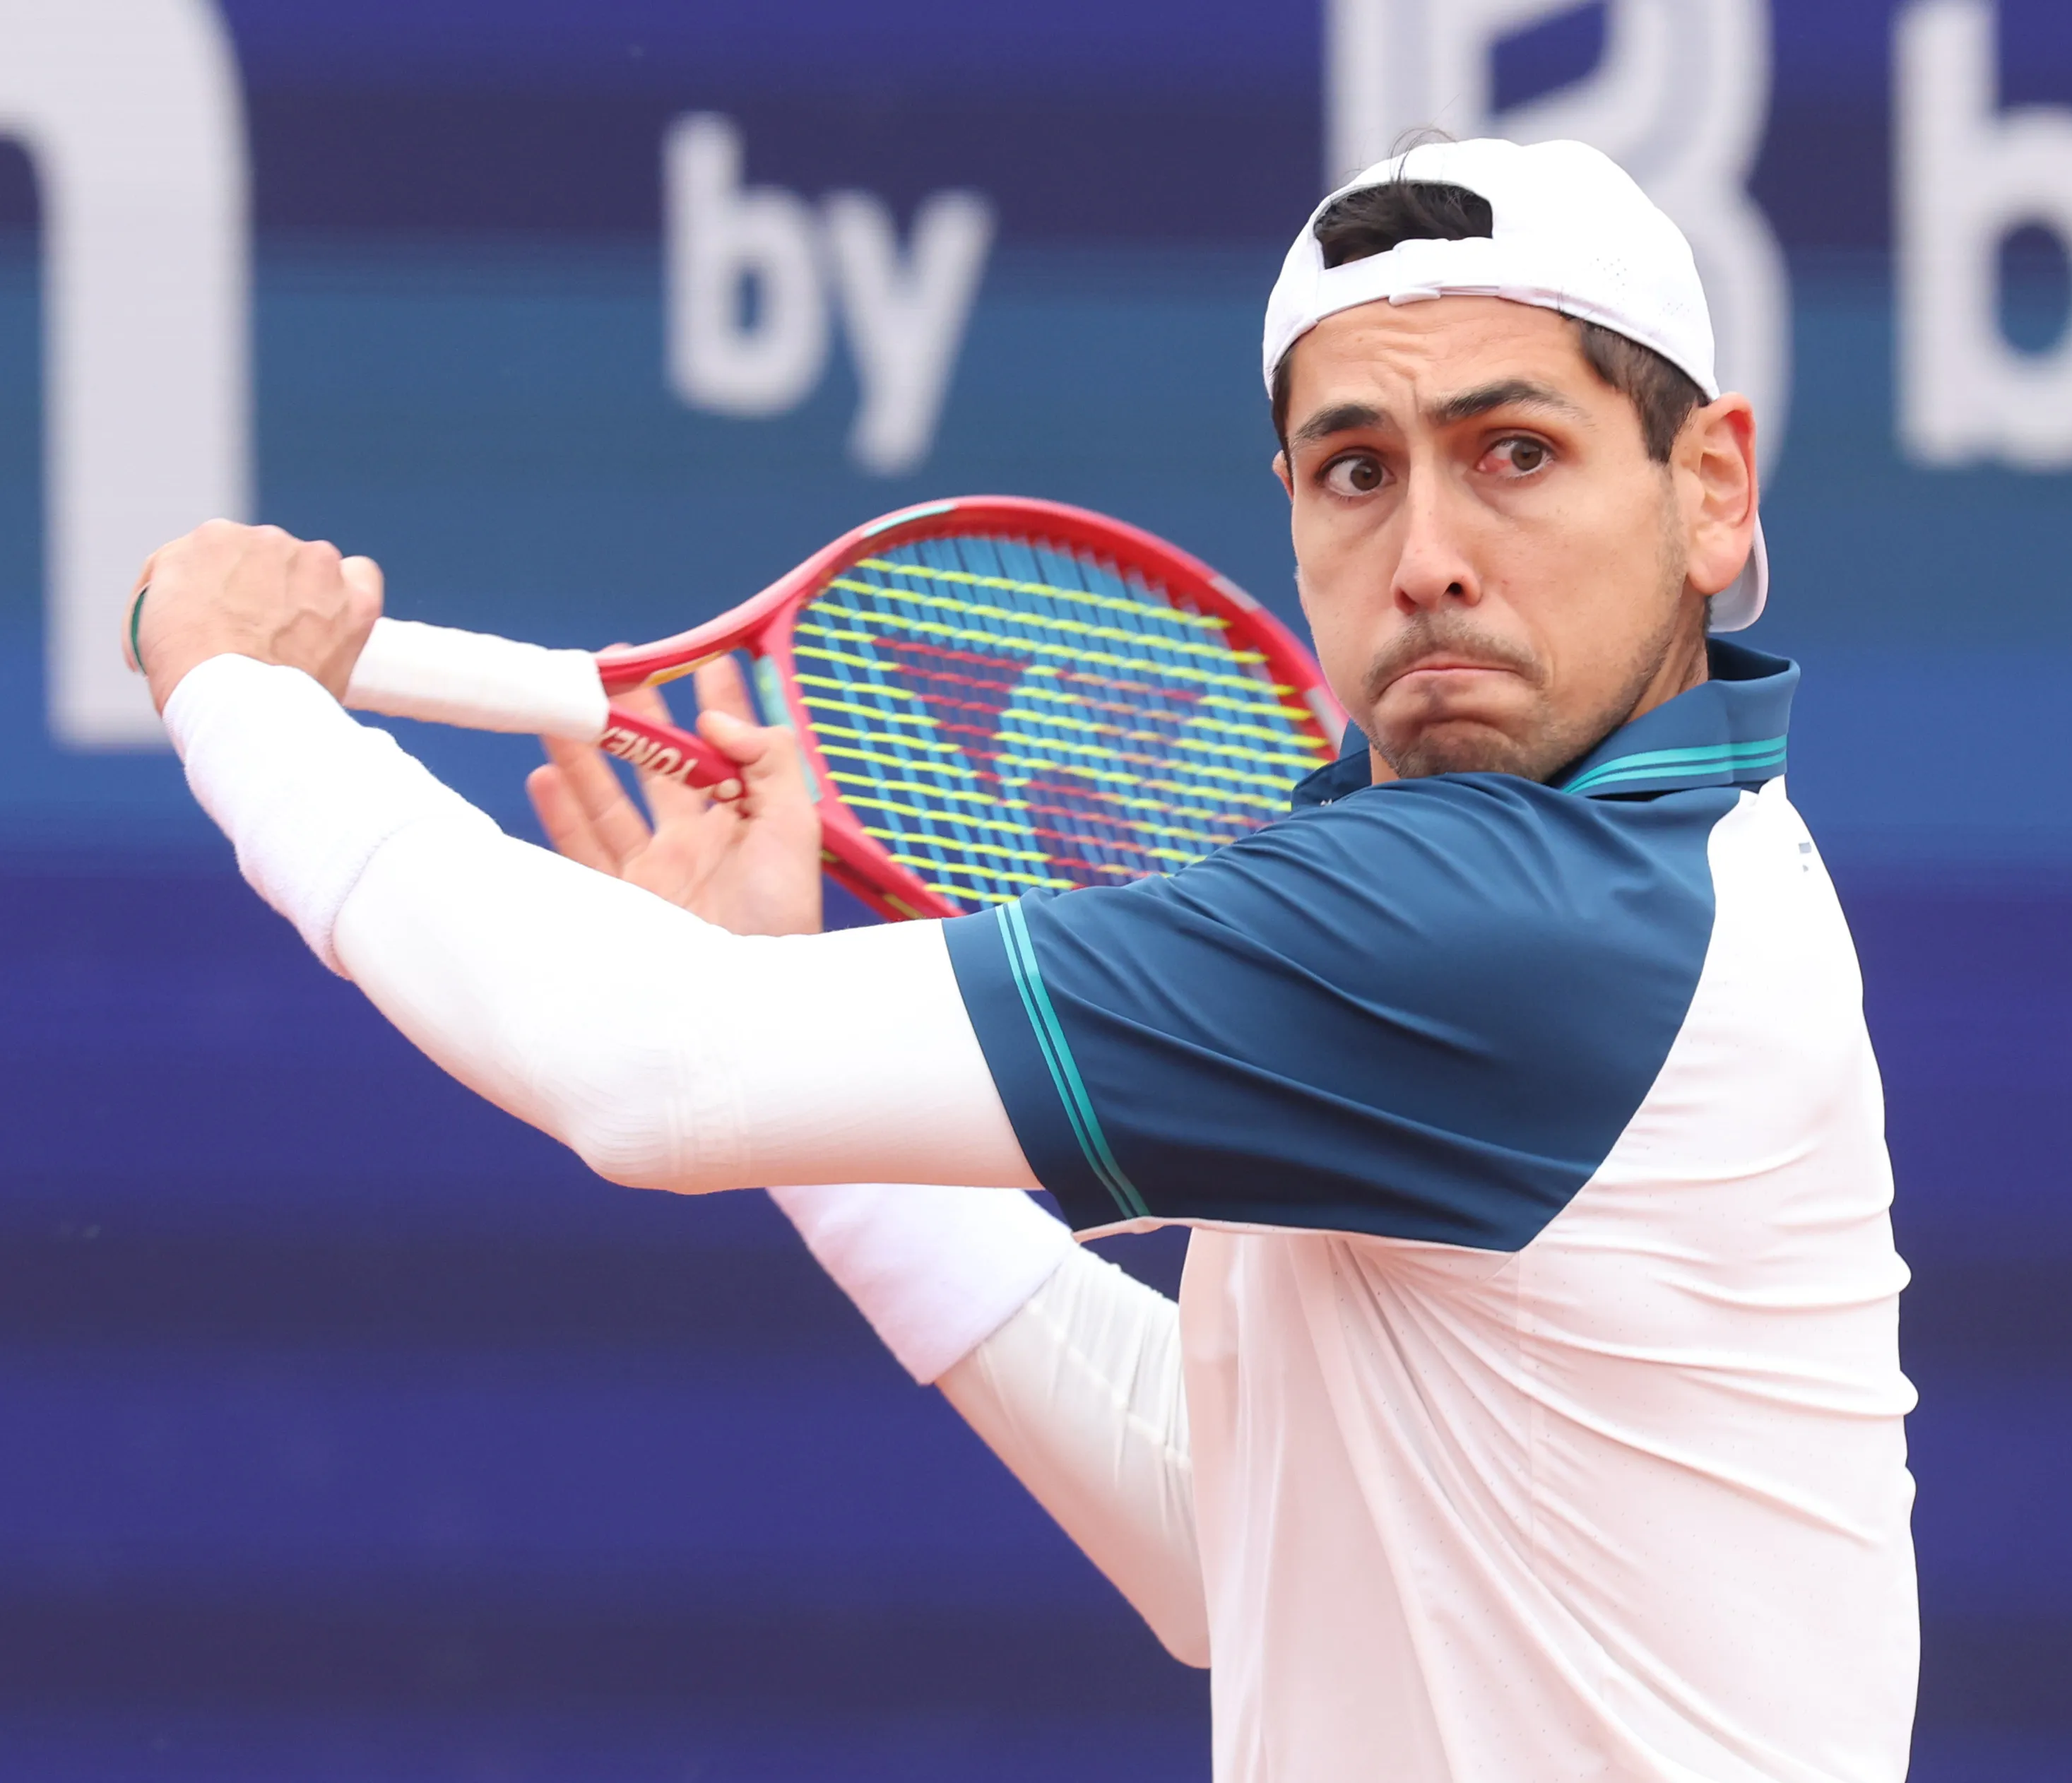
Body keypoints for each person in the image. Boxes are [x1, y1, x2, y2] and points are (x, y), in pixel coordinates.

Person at [129, 138, 1918, 1782]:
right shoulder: (1664, 880)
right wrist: (800, 1079)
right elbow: (1230, 1543)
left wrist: (237, 694)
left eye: (1513, 452)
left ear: (1710, 491)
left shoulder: (1524, 927)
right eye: (1358, 470)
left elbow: (646, 1068)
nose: (1431, 557)